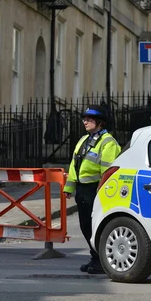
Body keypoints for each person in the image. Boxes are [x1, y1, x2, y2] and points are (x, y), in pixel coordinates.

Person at [63, 105, 121, 274]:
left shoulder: (108, 142)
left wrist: (102, 192)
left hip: (96, 190)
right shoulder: (83, 140)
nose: (85, 121)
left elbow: (109, 171)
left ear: (100, 122)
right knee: (86, 226)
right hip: (82, 191)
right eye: (84, 118)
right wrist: (69, 187)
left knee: (96, 227)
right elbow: (74, 166)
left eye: (89, 119)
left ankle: (101, 261)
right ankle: (96, 258)